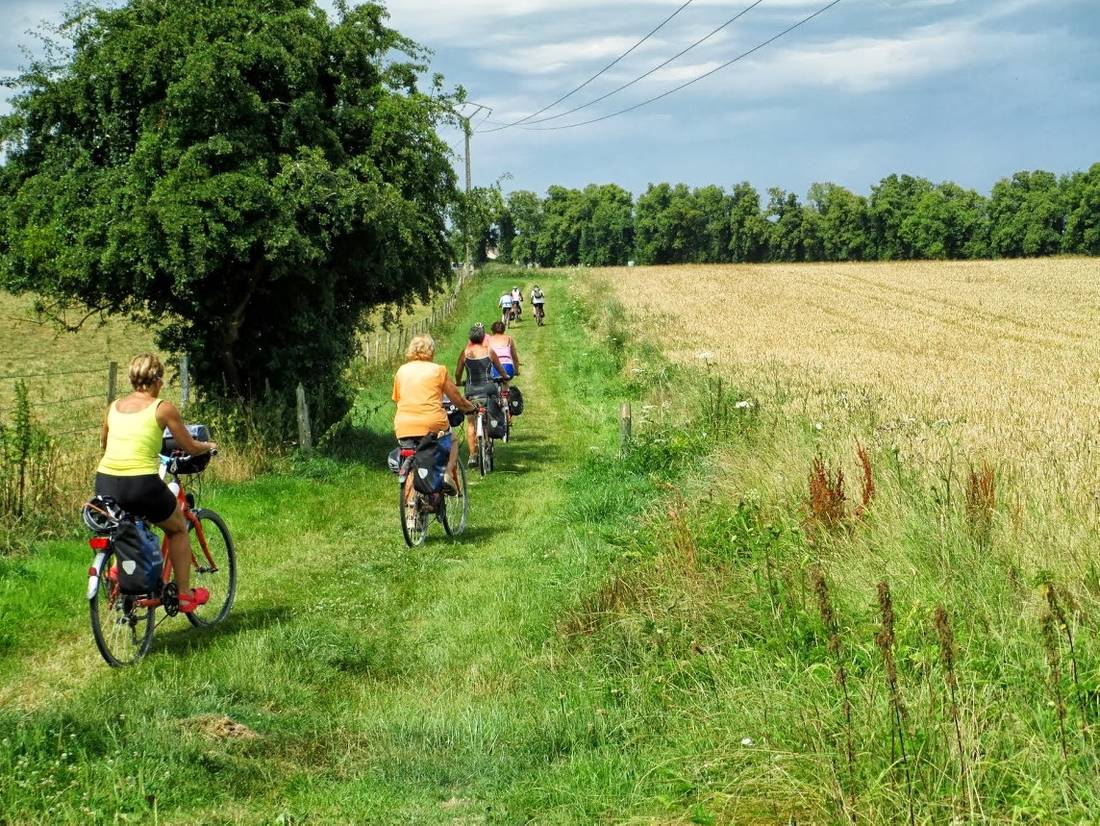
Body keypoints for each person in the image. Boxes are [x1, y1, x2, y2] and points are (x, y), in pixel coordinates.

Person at [95, 354, 216, 613]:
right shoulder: (162, 408)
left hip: (105, 482)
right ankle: (184, 595)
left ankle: (118, 572)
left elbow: (104, 445)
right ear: (158, 380)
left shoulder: (113, 406)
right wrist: (208, 446)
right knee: (177, 529)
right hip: (141, 483)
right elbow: (189, 445)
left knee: (130, 525)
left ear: (132, 380)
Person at [393, 335, 473, 510]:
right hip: (432, 423)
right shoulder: (438, 370)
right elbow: (457, 399)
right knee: (452, 441)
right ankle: (446, 474)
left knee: (411, 460)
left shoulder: (401, 371)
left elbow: (397, 399)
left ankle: (410, 509)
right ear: (431, 351)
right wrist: (469, 408)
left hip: (404, 425)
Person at [455, 324, 510, 464]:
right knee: (493, 408)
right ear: (483, 337)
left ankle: (473, 455)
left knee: (471, 423)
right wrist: (504, 376)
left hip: (471, 390)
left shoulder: (465, 353)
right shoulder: (489, 351)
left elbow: (458, 373)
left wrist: (458, 382)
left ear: (470, 338)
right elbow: (500, 369)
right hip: (488, 389)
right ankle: (495, 430)